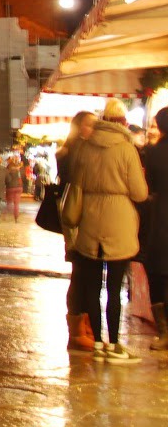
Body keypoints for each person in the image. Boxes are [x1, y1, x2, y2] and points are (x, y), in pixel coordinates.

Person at [67, 98, 149, 364]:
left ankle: (99, 343)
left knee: (91, 285)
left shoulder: (84, 148)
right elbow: (139, 192)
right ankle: (114, 345)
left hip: (90, 221)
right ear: (123, 123)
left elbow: (76, 186)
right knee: (114, 287)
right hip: (119, 223)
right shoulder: (127, 149)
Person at [57, 110, 98, 351]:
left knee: (85, 272)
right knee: (80, 271)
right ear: (79, 127)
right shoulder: (72, 152)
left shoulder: (74, 150)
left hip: (83, 217)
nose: (94, 129)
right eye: (90, 125)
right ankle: (77, 329)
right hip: (75, 218)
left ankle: (85, 325)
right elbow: (77, 184)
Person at [142, 107, 168, 351]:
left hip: (160, 217)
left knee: (158, 276)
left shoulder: (154, 152)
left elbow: (148, 186)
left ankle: (164, 333)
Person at [5, 156, 24, 222]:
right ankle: (16, 217)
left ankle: (6, 215)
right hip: (19, 187)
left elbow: (7, 179)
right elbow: (23, 177)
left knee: (9, 202)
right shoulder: (19, 170)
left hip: (10, 187)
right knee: (16, 204)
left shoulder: (8, 170)